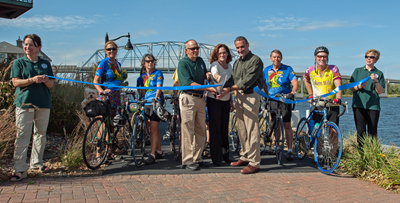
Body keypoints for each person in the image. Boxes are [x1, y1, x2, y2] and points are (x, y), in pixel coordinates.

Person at [10, 34, 54, 181]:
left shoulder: (45, 64)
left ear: (38, 48)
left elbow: (51, 85)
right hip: (25, 103)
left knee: (40, 133)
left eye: (31, 45)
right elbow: (15, 82)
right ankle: (20, 169)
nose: (27, 47)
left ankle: (36, 163)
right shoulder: (19, 63)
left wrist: (46, 80)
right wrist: (31, 80)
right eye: (25, 44)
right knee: (23, 135)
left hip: (43, 103)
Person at [220, 36, 264, 174]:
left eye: (242, 47)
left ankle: (254, 162)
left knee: (252, 129)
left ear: (248, 45)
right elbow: (233, 79)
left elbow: (247, 80)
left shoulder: (256, 60)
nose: (240, 50)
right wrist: (222, 88)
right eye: (238, 47)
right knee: (242, 128)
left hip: (251, 96)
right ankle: (245, 156)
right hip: (239, 96)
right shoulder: (238, 63)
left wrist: (229, 89)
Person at [177, 39, 216, 171]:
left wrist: (208, 76)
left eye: (197, 48)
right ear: (186, 50)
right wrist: (209, 88)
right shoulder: (182, 63)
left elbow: (203, 76)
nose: (195, 50)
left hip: (200, 99)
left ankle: (197, 158)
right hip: (188, 98)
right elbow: (188, 83)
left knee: (201, 130)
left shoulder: (200, 61)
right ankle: (187, 160)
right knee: (188, 130)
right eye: (192, 48)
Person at [304, 46, 342, 161]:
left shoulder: (333, 69)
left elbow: (338, 85)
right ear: (315, 57)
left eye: (325, 56)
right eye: (320, 56)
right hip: (318, 104)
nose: (322, 58)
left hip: (332, 104)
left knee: (333, 132)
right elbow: (306, 80)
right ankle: (320, 154)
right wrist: (310, 94)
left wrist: (338, 97)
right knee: (319, 131)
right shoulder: (310, 70)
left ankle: (331, 157)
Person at [263, 49, 298, 161]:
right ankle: (276, 146)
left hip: (285, 99)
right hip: (272, 99)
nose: (276, 59)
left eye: (278, 57)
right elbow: (264, 83)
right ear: (270, 58)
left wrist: (292, 93)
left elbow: (295, 82)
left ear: (281, 58)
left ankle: (290, 150)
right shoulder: (267, 70)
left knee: (287, 125)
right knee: (275, 123)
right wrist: (265, 94)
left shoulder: (288, 69)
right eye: (274, 57)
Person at [93, 41, 124, 161]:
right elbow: (96, 80)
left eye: (114, 49)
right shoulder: (103, 63)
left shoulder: (118, 64)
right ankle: (98, 154)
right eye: (109, 49)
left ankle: (109, 151)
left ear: (117, 50)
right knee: (103, 124)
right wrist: (102, 91)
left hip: (116, 95)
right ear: (105, 51)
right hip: (106, 95)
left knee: (112, 125)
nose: (112, 51)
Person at [350, 49, 384, 147]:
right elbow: (351, 88)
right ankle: (361, 154)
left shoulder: (379, 73)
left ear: (376, 59)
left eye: (371, 57)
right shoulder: (358, 71)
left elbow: (380, 91)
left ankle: (372, 155)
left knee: (372, 131)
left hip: (373, 106)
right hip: (358, 104)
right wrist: (359, 86)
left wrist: (376, 81)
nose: (368, 59)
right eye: (367, 57)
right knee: (360, 131)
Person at [206, 44, 234, 166]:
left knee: (224, 129)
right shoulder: (215, 65)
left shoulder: (230, 67)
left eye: (224, 52)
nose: (222, 55)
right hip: (214, 100)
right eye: (220, 53)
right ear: (216, 55)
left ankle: (225, 155)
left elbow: (231, 84)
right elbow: (215, 73)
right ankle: (216, 158)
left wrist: (231, 101)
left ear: (228, 53)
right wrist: (218, 79)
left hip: (226, 100)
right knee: (215, 129)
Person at [137, 53, 164, 164]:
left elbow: (159, 88)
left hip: (155, 102)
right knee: (151, 128)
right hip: (146, 103)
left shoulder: (158, 73)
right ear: (144, 64)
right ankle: (159, 151)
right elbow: (141, 91)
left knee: (153, 128)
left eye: (152, 61)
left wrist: (156, 99)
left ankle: (152, 155)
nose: (150, 63)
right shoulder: (141, 78)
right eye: (148, 61)